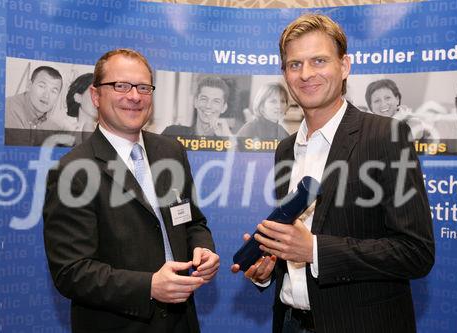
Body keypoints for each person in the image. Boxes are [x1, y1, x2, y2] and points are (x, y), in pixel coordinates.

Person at [231, 13, 434, 333]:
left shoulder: (385, 137)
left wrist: (313, 250)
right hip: (288, 323)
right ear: (284, 73)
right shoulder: (285, 149)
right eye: (294, 64)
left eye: (319, 61)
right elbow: (297, 242)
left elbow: (415, 253)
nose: (306, 74)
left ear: (344, 66)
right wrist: (270, 268)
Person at [43, 48, 220, 333]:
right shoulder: (72, 171)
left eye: (143, 87)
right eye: (120, 86)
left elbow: (192, 221)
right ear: (95, 95)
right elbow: (71, 272)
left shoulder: (171, 151)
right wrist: (149, 286)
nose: (134, 96)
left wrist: (203, 248)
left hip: (182, 322)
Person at [5, 66, 63, 145]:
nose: (46, 96)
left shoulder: (54, 124)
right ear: (29, 85)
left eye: (53, 91)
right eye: (42, 86)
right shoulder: (8, 109)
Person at [162, 76, 233, 137]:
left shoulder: (228, 141)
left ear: (224, 107)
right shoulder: (172, 133)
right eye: (204, 99)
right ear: (195, 102)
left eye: (216, 101)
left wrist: (229, 140)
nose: (208, 106)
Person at [365, 79, 429, 139]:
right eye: (377, 101)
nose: (383, 104)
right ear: (371, 107)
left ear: (397, 99)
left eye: (387, 98)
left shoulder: (413, 122)